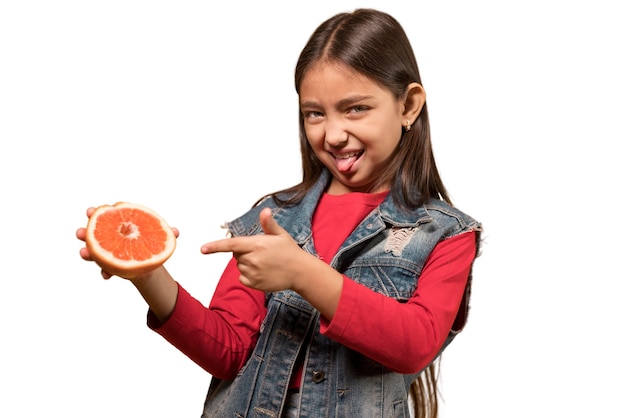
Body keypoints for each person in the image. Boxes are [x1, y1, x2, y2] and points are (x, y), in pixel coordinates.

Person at [77, 8, 482, 418]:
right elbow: (228, 352)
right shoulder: (273, 217)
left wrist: (302, 274)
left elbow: (413, 344)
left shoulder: (445, 234)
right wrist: (147, 274)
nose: (334, 133)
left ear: (408, 105)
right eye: (315, 113)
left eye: (356, 108)